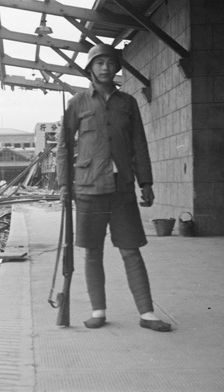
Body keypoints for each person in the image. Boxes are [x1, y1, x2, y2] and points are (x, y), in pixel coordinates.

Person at [56, 43, 171, 332]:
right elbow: (63, 147)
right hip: (87, 188)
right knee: (93, 251)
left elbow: (138, 144)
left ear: (116, 68)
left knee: (131, 250)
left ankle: (147, 314)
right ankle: (98, 312)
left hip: (121, 188)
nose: (105, 68)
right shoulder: (77, 103)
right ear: (90, 69)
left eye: (110, 63)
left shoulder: (127, 103)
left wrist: (146, 181)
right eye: (99, 63)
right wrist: (63, 184)